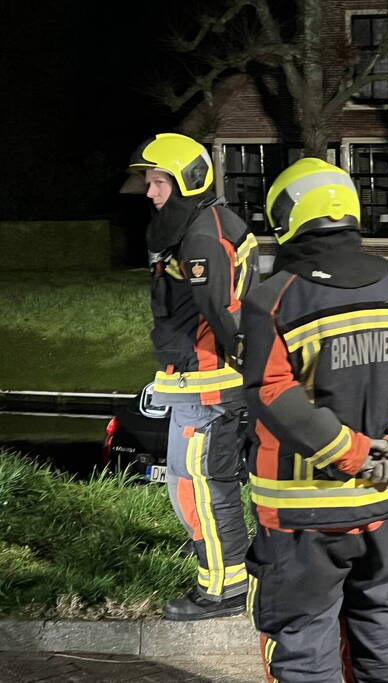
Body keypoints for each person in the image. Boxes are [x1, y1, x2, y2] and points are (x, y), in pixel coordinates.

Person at [240, 158, 388, 682]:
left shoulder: (273, 299)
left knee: (302, 640)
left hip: (302, 513)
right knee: (381, 624)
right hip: (385, 502)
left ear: (287, 217)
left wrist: (350, 453)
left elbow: (272, 392)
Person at [127, 132, 259, 620]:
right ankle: (217, 557)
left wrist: (237, 362)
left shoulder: (202, 236)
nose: (150, 192)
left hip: (208, 385)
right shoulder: (204, 224)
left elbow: (221, 311)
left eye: (158, 181)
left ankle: (223, 586)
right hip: (198, 381)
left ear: (187, 180)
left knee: (201, 484)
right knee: (196, 483)